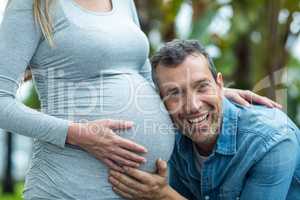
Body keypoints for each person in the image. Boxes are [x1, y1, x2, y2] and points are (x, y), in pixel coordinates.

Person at [0, 0, 280, 199]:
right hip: (68, 186)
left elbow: (147, 80)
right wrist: (78, 134)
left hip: (137, 191)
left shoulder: (122, 3)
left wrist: (211, 94)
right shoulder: (33, 4)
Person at [108, 40, 300, 200]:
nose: (193, 106)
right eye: (175, 92)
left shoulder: (272, 142)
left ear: (219, 84)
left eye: (202, 87)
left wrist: (164, 196)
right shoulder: (169, 130)